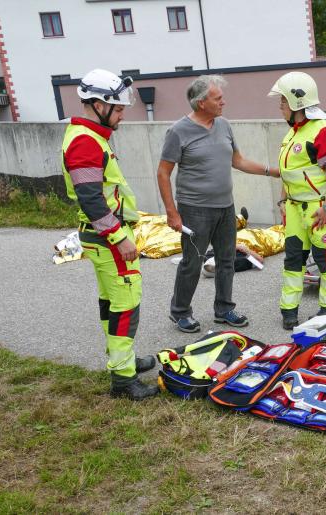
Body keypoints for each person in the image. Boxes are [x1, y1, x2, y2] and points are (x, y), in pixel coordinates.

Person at [61, 69, 157, 400]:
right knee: (126, 304)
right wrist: (119, 237)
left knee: (112, 301)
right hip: (107, 237)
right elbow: (91, 198)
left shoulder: (89, 137)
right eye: (117, 109)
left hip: (101, 235)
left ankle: (122, 363)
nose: (121, 116)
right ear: (99, 105)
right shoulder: (86, 142)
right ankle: (123, 380)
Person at [157, 75, 279, 333]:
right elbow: (163, 173)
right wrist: (172, 212)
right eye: (218, 98)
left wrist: (273, 171)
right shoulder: (178, 131)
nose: (224, 102)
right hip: (194, 209)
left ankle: (224, 309)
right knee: (193, 261)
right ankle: (180, 311)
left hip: (226, 207)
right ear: (201, 103)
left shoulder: (224, 125)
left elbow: (239, 161)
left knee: (227, 260)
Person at [268, 71, 326, 330]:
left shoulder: (322, 131)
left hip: (320, 205)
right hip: (295, 205)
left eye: (282, 102)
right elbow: (288, 174)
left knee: (324, 258)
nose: (279, 106)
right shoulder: (292, 134)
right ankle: (289, 310)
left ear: (296, 103)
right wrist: (283, 203)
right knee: (293, 259)